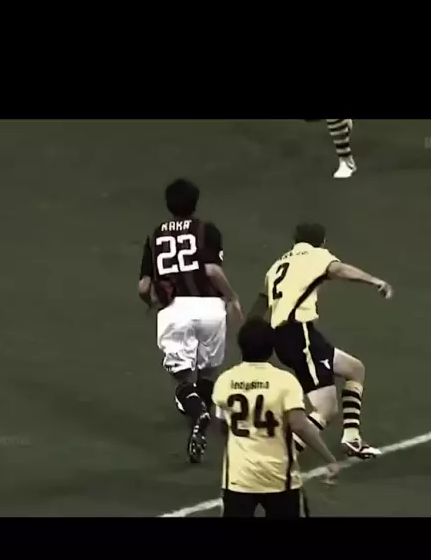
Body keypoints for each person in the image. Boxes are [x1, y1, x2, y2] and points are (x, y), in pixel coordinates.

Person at [248, 222, 393, 459]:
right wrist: (374, 280)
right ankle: (281, 457)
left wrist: (248, 332)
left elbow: (262, 301)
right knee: (326, 408)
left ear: (295, 240)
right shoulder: (315, 255)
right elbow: (339, 269)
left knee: (354, 369)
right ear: (322, 242)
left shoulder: (276, 266)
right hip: (300, 336)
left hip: (289, 336)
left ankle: (351, 438)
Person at [138, 178, 243, 463]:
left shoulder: (155, 236)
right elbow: (212, 271)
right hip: (210, 308)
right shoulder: (207, 230)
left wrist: (151, 303)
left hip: (175, 310)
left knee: (182, 377)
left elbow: (144, 286)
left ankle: (198, 413)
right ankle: (203, 409)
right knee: (207, 372)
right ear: (196, 202)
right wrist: (232, 297)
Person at [212, 318, 339, 518]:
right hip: (280, 478)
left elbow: (223, 426)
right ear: (271, 348)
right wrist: (329, 458)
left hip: (238, 478)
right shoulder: (285, 381)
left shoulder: (225, 380)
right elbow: (299, 425)